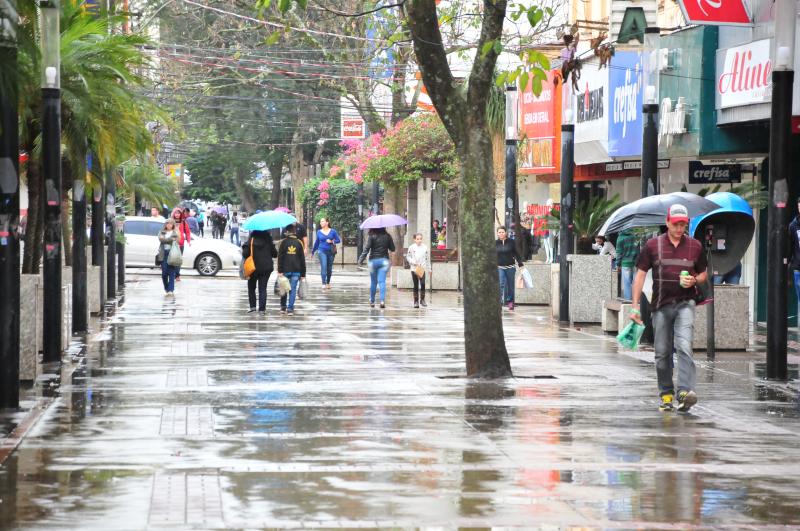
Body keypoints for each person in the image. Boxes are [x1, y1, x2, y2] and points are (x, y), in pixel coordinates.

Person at [630, 204, 708, 413]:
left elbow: (703, 274)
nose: (679, 228)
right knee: (662, 352)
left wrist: (694, 280)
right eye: (676, 224)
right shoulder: (652, 245)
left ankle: (684, 391)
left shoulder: (695, 246)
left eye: (683, 224)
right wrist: (635, 306)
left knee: (684, 346)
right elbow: (639, 275)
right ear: (667, 223)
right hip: (661, 305)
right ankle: (666, 394)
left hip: (685, 303)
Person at [358, 227, 395, 308]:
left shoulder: (371, 236)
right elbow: (393, 248)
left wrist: (360, 259)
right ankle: (382, 301)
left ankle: (372, 301)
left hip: (373, 261)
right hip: (384, 261)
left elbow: (367, 249)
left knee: (373, 282)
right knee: (382, 282)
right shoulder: (388, 236)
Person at [242, 230, 277, 314]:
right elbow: (275, 254)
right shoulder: (269, 240)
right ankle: (262, 309)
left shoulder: (251, 240)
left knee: (251, 288)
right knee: (262, 289)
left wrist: (245, 246)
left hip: (253, 268)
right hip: (266, 268)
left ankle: (253, 307)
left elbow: (245, 254)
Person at [277, 224, 306, 315]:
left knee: (284, 288)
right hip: (296, 270)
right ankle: (290, 309)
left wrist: (280, 270)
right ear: (294, 232)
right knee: (292, 289)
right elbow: (302, 259)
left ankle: (283, 307)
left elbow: (280, 258)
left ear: (287, 232)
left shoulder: (283, 242)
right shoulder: (299, 243)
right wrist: (303, 274)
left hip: (285, 270)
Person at [496, 226, 523, 311]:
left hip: (510, 267)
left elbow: (516, 253)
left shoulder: (511, 242)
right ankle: (498, 302)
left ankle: (510, 302)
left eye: (502, 232)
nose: (501, 233)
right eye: (499, 232)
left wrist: (520, 264)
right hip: (500, 267)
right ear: (497, 233)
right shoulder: (495, 243)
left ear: (506, 233)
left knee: (511, 286)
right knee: (500, 285)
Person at [311, 217, 341, 289]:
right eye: (321, 222)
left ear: (327, 223)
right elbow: (317, 242)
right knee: (323, 266)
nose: (321, 223)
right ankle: (323, 283)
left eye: (323, 221)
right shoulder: (319, 232)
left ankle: (328, 282)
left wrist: (331, 241)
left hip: (331, 252)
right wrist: (313, 251)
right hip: (321, 251)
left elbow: (338, 240)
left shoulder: (333, 231)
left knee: (329, 268)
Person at [405, 232, 429, 308]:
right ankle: (416, 301)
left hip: (422, 268)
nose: (419, 240)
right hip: (414, 268)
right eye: (417, 239)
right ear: (414, 239)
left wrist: (429, 268)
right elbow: (408, 257)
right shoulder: (411, 247)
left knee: (423, 283)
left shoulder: (425, 247)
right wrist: (413, 262)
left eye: (420, 239)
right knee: (415, 285)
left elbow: (427, 258)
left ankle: (422, 299)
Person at [615, 229, 640, 300]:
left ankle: (628, 301)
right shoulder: (635, 236)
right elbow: (638, 250)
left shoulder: (620, 238)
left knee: (627, 284)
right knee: (636, 283)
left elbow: (619, 253)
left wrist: (618, 264)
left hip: (625, 263)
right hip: (635, 263)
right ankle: (636, 300)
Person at [157, 219, 180, 296]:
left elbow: (177, 240)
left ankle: (170, 290)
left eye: (170, 224)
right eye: (167, 224)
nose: (169, 225)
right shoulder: (162, 231)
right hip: (163, 254)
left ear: (173, 225)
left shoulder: (175, 232)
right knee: (164, 273)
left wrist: (165, 240)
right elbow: (161, 239)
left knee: (171, 273)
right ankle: (166, 288)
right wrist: (170, 239)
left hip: (172, 253)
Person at [171, 208, 191, 281]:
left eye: (178, 213)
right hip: (172, 244)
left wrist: (188, 240)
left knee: (178, 261)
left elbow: (188, 232)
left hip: (180, 244)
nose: (177, 214)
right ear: (174, 214)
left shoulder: (183, 222)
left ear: (180, 214)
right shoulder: (170, 222)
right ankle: (172, 275)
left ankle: (177, 275)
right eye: (176, 213)